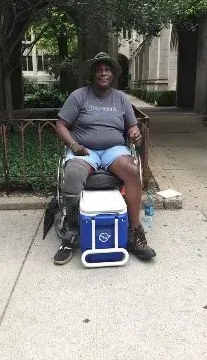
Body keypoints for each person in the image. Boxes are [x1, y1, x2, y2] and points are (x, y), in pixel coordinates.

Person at [54, 52, 156, 265]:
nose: (103, 72)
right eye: (99, 69)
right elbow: (61, 125)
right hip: (85, 150)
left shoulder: (120, 98)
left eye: (107, 69)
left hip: (114, 150)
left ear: (113, 74)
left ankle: (133, 231)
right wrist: (74, 145)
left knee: (131, 170)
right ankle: (71, 232)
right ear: (93, 74)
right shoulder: (79, 96)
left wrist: (135, 132)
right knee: (72, 174)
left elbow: (131, 125)